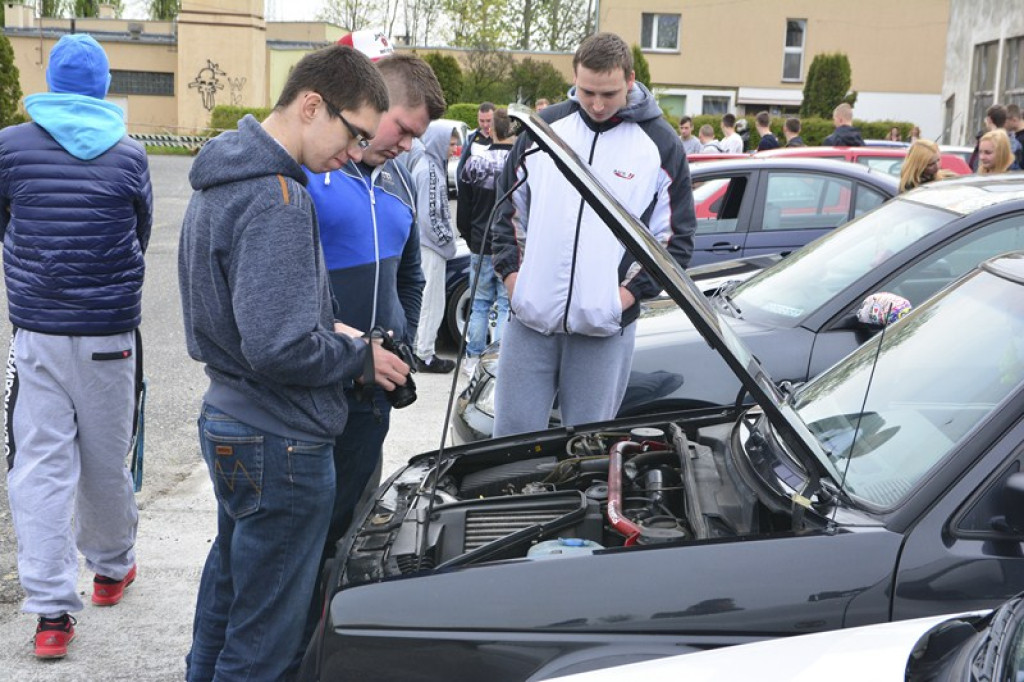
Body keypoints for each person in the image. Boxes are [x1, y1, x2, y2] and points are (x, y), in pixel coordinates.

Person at [178, 45, 406, 682]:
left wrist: (320, 324)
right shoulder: (279, 197)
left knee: (228, 600)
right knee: (266, 642)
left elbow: (231, 314)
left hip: (232, 418)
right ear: (312, 105)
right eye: (354, 133)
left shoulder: (223, 175)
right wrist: (357, 355)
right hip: (280, 440)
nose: (357, 152)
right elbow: (277, 347)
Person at [0, 34, 152, 661]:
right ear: (102, 85)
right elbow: (141, 230)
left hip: (36, 333)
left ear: (53, 81)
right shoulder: (130, 154)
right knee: (106, 458)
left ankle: (52, 614)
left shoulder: (9, 147)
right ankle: (113, 570)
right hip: (110, 335)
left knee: (39, 466)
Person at [299, 51, 446, 657]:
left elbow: (411, 277)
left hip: (372, 390)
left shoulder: (398, 180)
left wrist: (399, 337)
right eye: (404, 129)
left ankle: (314, 652)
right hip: (310, 388)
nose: (409, 145)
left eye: (419, 135)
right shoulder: (305, 171)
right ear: (371, 104)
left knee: (343, 535)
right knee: (292, 540)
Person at [490, 32, 696, 437]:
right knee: (509, 443)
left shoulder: (660, 143)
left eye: (610, 93)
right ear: (574, 78)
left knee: (587, 448)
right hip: (530, 320)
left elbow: (675, 238)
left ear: (631, 80)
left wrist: (621, 299)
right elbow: (507, 212)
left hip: (603, 328)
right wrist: (514, 279)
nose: (598, 105)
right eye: (587, 92)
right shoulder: (544, 130)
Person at [457, 107, 516, 376]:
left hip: (479, 243)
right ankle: (499, 359)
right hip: (509, 247)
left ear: (491, 130)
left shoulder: (474, 162)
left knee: (479, 304)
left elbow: (463, 211)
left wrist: (470, 238)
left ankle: (472, 359)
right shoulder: (519, 165)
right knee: (504, 304)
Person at [407, 121, 459, 373]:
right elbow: (429, 217)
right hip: (430, 247)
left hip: (429, 246)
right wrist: (446, 241)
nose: (454, 147)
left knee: (431, 300)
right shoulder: (429, 170)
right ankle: (424, 353)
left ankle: (421, 349)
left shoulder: (431, 166)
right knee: (431, 302)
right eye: (450, 142)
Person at [969, 104, 1023, 171]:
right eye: (980, 152)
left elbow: (972, 166)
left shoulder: (986, 141)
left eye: (988, 152)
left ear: (989, 120)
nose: (982, 157)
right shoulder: (1016, 143)